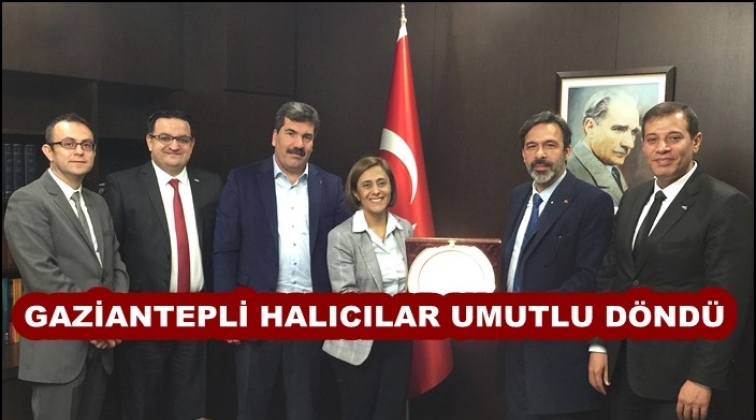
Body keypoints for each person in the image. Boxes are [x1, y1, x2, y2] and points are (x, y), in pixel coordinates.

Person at [588, 102, 754, 420]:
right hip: (624, 372)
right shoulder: (633, 198)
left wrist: (703, 378)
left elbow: (727, 301)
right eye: (652, 139)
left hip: (681, 382)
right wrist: (599, 343)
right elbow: (613, 274)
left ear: (696, 141)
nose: (662, 148)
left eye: (674, 138)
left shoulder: (726, 204)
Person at [213, 101, 351, 420]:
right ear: (274, 136)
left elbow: (345, 250)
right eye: (291, 133)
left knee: (305, 409)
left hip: (309, 316)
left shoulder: (330, 186)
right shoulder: (243, 180)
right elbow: (225, 249)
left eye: (306, 137)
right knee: (252, 408)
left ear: (313, 143)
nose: (298, 144)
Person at [3, 113, 129, 420]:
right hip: (58, 351)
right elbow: (43, 276)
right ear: (48, 151)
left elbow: (115, 266)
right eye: (69, 144)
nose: (79, 151)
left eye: (87, 145)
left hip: (101, 348)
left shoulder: (98, 203)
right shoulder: (27, 201)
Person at [102, 110, 223, 420]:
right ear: (149, 141)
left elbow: (217, 247)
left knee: (189, 404)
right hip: (144, 315)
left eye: (182, 139)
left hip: (195, 314)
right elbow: (110, 253)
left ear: (192, 144)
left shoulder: (211, 184)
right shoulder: (122, 184)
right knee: (144, 404)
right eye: (165, 137)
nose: (174, 145)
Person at [496, 110, 614, 420]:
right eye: (532, 146)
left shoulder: (592, 202)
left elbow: (589, 276)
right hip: (513, 347)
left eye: (550, 145)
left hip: (558, 352)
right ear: (523, 154)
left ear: (567, 151)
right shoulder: (518, 196)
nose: (540, 154)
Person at [323, 156, 414, 420]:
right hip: (358, 344)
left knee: (391, 413)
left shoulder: (405, 230)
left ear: (391, 187)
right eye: (367, 185)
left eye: (382, 183)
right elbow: (345, 295)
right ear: (356, 193)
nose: (376, 190)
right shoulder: (340, 236)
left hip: (399, 341)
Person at [567, 89, 641, 207]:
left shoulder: (612, 169)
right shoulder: (570, 174)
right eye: (619, 129)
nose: (629, 144)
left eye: (633, 132)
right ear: (590, 127)